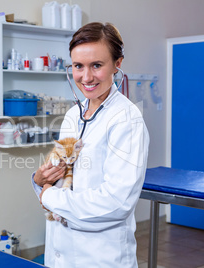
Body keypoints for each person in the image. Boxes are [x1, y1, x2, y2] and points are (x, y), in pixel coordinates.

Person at [32, 22, 150, 267]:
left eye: (96, 65)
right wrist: (40, 180)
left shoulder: (126, 119)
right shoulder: (73, 116)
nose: (86, 77)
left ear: (117, 65)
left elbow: (116, 202)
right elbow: (59, 177)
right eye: (78, 66)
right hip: (60, 249)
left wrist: (50, 197)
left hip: (100, 256)